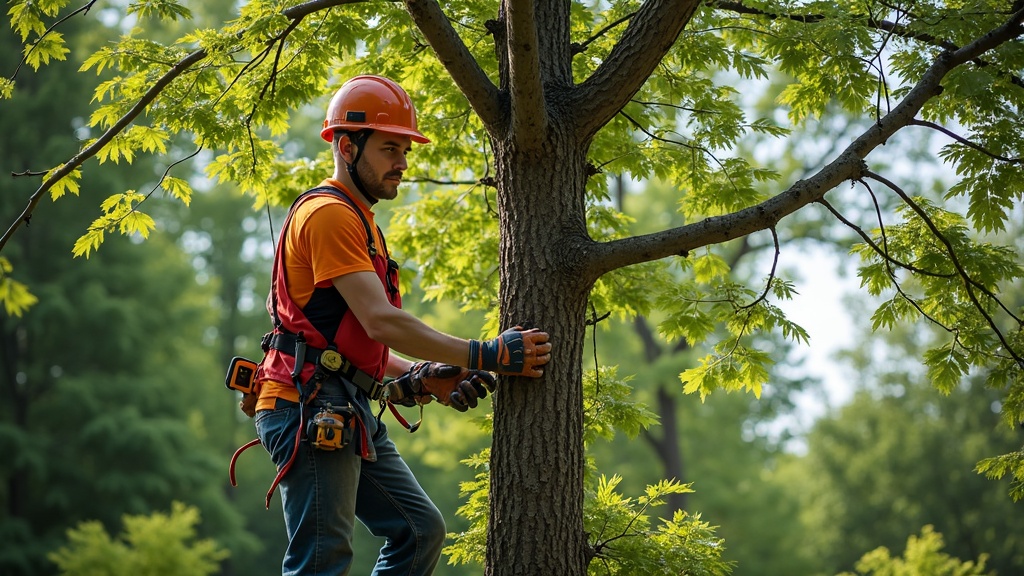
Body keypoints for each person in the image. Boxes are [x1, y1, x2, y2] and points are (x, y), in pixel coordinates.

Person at [250, 74, 552, 576]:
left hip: (340, 401)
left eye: (405, 150)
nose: (402, 164)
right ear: (347, 146)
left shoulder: (361, 219)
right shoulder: (328, 216)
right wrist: (486, 354)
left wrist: (420, 374)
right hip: (307, 407)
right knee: (321, 562)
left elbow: (354, 341)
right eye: (390, 148)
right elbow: (382, 320)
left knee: (419, 532)